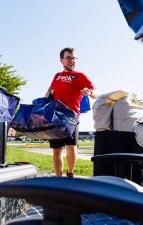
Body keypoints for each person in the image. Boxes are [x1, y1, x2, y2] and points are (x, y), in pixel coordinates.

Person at [45, 47, 98, 177]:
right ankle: (58, 178)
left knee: (71, 147)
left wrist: (89, 92)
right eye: (68, 58)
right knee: (56, 150)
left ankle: (70, 173)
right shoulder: (57, 76)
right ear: (61, 60)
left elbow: (95, 93)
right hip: (56, 117)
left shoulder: (79, 76)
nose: (72, 61)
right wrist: (48, 93)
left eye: (74, 58)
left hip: (72, 117)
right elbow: (51, 89)